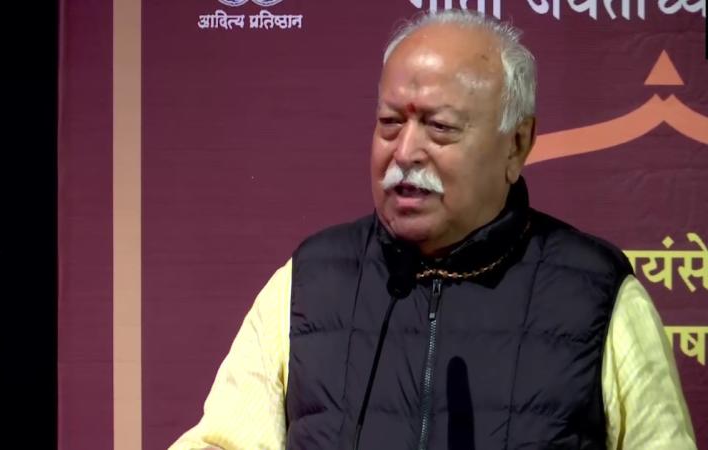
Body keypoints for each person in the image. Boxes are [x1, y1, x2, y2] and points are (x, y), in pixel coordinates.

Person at [170, 10, 696, 450]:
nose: (404, 153)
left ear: (517, 145)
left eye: (439, 127)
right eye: (389, 123)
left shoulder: (596, 295)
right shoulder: (309, 283)